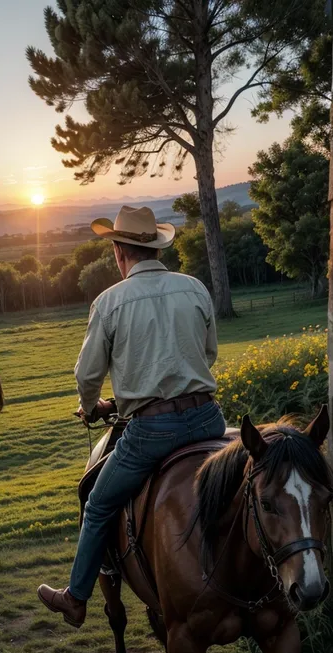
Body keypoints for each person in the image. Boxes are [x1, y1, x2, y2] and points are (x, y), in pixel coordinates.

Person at [37, 205, 226, 628]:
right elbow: (208, 353)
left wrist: (91, 408)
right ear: (157, 249)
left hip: (152, 431)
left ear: (119, 253)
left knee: (98, 503)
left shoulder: (109, 302)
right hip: (209, 421)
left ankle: (77, 597)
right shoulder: (194, 288)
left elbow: (87, 374)